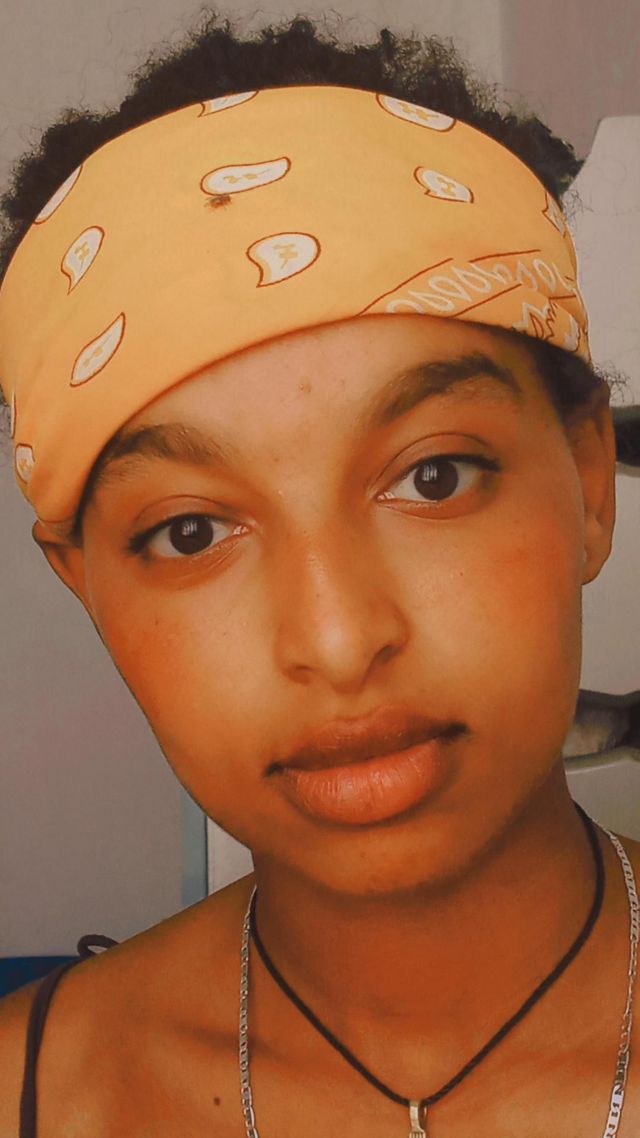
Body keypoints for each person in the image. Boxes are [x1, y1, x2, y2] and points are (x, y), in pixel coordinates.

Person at [0, 12, 638, 1137]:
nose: (339, 639)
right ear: (85, 582)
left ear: (590, 481)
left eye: (433, 475)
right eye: (189, 532)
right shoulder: (33, 1093)